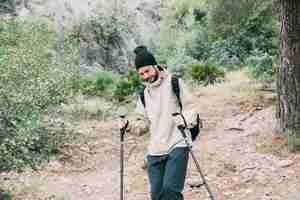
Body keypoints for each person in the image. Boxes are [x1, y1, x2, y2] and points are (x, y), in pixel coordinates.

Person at [120, 45, 198, 200]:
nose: (145, 76)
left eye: (147, 71)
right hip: (155, 149)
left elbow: (191, 108)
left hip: (178, 142)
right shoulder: (144, 95)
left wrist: (184, 120)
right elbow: (142, 124)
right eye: (141, 73)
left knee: (170, 191)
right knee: (157, 195)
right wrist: (128, 126)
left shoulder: (174, 83)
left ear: (155, 66)